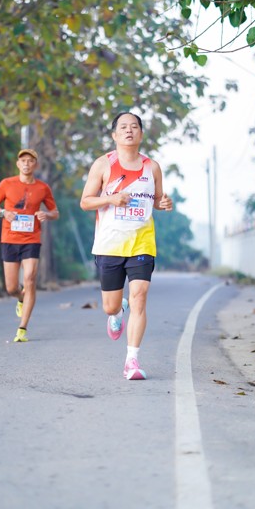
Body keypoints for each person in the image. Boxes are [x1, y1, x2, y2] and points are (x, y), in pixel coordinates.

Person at [80, 112, 173, 380]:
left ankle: (132, 360)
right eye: (123, 127)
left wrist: (164, 203)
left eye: (134, 127)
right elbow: (86, 202)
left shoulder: (152, 167)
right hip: (109, 244)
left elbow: (157, 200)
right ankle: (117, 312)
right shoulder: (103, 164)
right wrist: (111, 199)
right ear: (114, 135)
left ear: (141, 134)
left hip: (142, 243)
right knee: (109, 307)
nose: (129, 131)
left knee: (140, 296)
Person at [0, 148, 59, 342]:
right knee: (11, 287)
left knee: (29, 279)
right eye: (23, 161)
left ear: (36, 165)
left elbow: (55, 212)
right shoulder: (7, 184)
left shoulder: (43, 188)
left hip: (31, 239)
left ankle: (22, 328)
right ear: (18, 164)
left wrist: (46, 215)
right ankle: (20, 298)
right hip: (10, 239)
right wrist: (4, 213)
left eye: (30, 161)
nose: (26, 164)